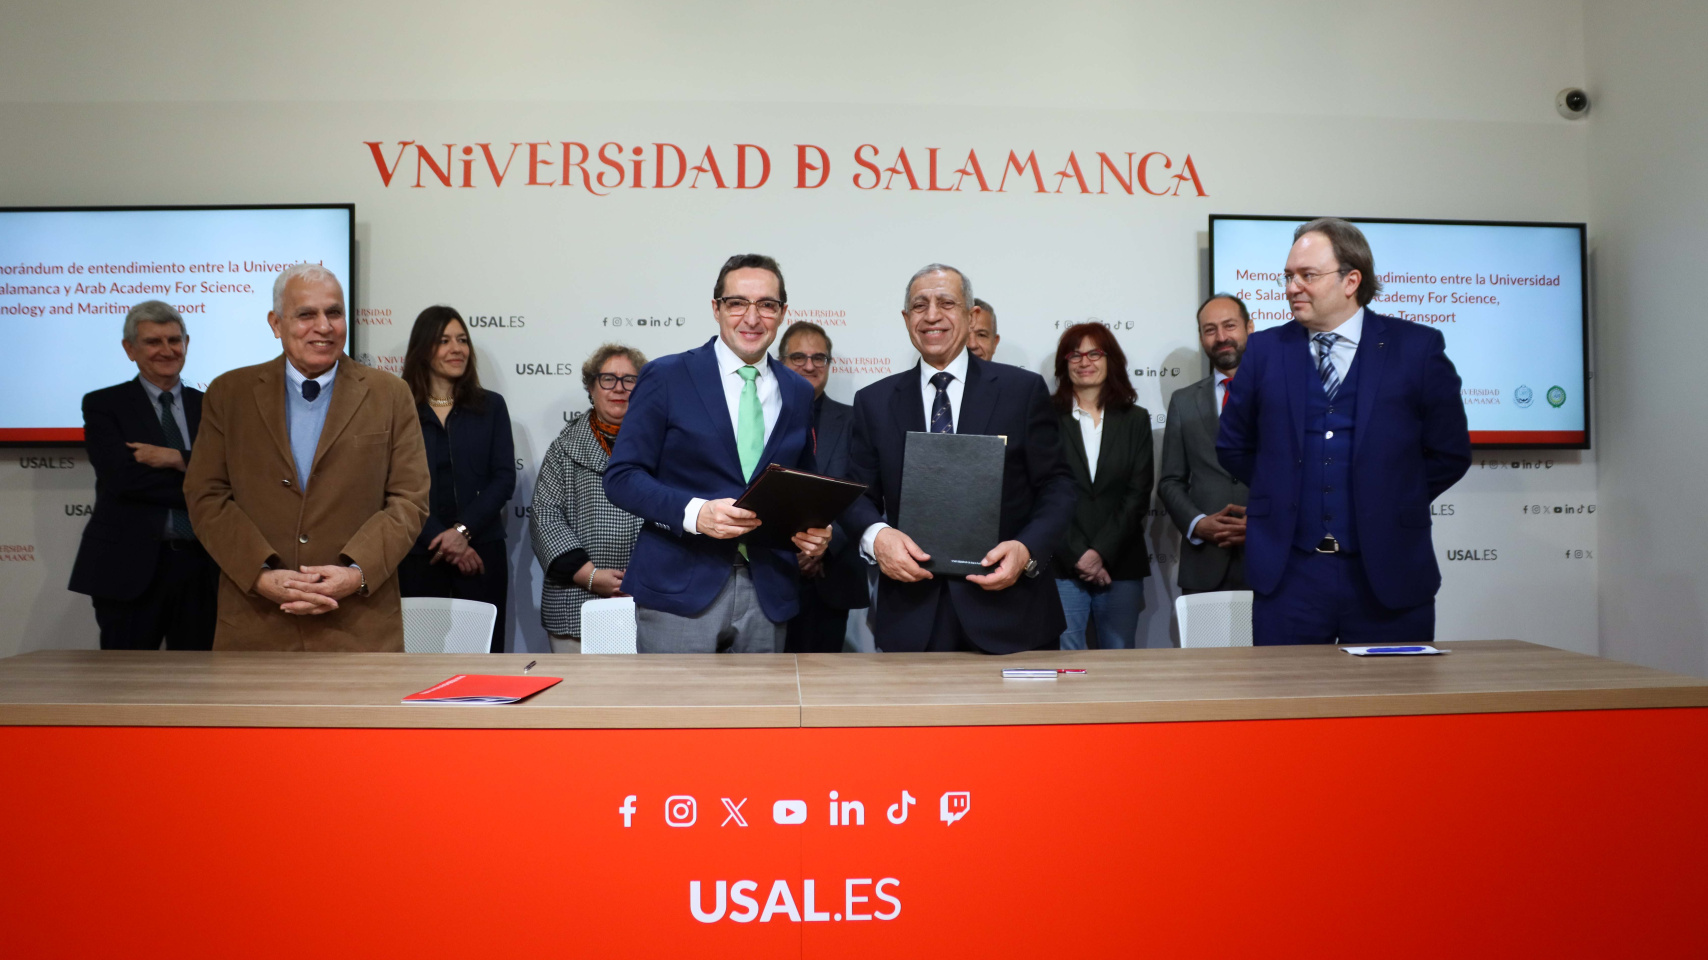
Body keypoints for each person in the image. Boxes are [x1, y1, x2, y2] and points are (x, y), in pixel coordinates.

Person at [1217, 218, 1471, 645]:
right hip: (1289, 577)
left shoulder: (1418, 348)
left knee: (1391, 704)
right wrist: (1283, 490)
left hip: (1389, 573)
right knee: (1289, 705)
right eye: (1288, 276)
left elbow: (1449, 453)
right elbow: (1233, 446)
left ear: (1351, 280)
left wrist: (1391, 494)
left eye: (1307, 275)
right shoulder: (1264, 351)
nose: (1292, 286)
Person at [184, 264, 429, 651]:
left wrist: (355, 574)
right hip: (256, 623)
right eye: (306, 314)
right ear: (276, 323)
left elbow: (410, 500)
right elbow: (206, 495)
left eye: (334, 312)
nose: (324, 326)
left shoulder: (390, 394)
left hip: (358, 626)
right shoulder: (229, 394)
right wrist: (260, 575)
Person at [603, 254, 830, 654]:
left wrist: (815, 528)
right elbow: (622, 478)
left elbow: (801, 480)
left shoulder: (796, 390)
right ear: (716, 309)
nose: (752, 317)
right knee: (677, 716)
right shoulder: (667, 376)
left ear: (782, 314)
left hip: (769, 591)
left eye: (767, 305)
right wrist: (695, 513)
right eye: (737, 303)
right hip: (679, 588)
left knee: (760, 717)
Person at [845, 264, 1076, 654]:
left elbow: (1058, 485)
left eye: (946, 303)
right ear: (906, 319)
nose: (932, 315)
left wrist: (1027, 550)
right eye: (920, 305)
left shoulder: (1021, 391)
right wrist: (877, 537)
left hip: (1011, 612)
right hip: (912, 617)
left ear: (971, 317)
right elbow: (855, 494)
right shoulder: (875, 402)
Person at [68, 300, 218, 650]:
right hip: (127, 567)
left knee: (199, 686)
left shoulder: (212, 405)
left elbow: (237, 474)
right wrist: (204, 481)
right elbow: (124, 480)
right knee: (124, 687)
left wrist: (176, 458)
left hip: (202, 568)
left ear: (187, 343)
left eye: (174, 340)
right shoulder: (104, 405)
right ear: (130, 349)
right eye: (153, 342)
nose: (167, 350)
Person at [397, 305, 516, 652]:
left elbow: (503, 479)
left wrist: (463, 533)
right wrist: (442, 539)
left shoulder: (491, 406)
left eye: (462, 340)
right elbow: (395, 488)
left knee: (484, 661)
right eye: (444, 340)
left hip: (481, 554)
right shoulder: (399, 408)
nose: (457, 348)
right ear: (424, 348)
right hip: (419, 555)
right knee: (420, 661)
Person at [531, 343, 647, 653]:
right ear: (591, 388)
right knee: (577, 700)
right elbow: (545, 519)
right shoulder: (563, 449)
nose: (619, 388)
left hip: (648, 604)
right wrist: (591, 576)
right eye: (608, 379)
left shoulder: (664, 447)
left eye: (630, 380)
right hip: (575, 600)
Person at [1050, 323, 1153, 650]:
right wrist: (1079, 555)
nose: (1084, 361)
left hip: (1120, 563)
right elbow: (1044, 493)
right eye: (1075, 354)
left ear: (1111, 360)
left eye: (1095, 353)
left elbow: (1137, 494)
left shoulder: (1135, 419)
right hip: (1063, 562)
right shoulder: (1045, 417)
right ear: (1064, 364)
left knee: (1120, 665)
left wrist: (1100, 553)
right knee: (1067, 663)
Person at [778, 321, 868, 652]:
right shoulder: (759, 416)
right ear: (780, 361)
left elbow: (863, 491)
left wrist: (821, 548)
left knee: (825, 687)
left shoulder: (856, 420)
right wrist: (790, 552)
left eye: (819, 358)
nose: (809, 365)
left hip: (831, 575)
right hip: (770, 572)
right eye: (798, 356)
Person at [1160, 294, 1253, 594]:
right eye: (1210, 329)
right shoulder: (1183, 401)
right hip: (1205, 564)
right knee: (1206, 644)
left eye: (1229, 325)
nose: (1221, 337)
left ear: (1249, 327)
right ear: (1201, 337)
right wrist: (1198, 524)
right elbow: (1171, 481)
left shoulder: (1283, 394)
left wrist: (1264, 523)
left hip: (1269, 559)